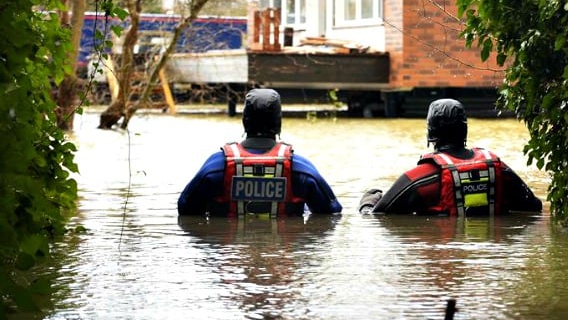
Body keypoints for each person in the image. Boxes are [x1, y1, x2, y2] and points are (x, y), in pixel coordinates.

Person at [358, 98, 542, 216]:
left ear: (430, 133)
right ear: (464, 130)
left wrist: (369, 199)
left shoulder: (418, 179)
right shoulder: (499, 169)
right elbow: (534, 207)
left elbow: (376, 216)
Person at [178, 88, 342, 217]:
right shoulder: (301, 169)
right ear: (278, 122)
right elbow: (331, 212)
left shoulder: (215, 167)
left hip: (229, 256)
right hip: (281, 256)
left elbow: (186, 209)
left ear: (244, 121)